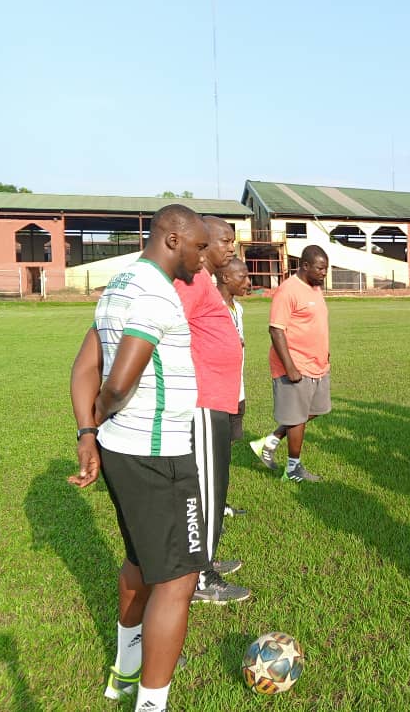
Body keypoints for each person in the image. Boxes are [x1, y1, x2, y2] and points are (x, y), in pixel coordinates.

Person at [69, 204, 210, 711]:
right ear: (173, 239)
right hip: (159, 458)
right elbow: (119, 379)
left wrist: (89, 432)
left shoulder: (120, 283)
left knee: (139, 560)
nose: (203, 255)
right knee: (177, 580)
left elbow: (84, 365)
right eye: (198, 245)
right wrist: (102, 415)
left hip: (122, 453)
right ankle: (152, 704)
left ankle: (126, 672)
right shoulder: (155, 293)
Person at [174, 216, 249, 605]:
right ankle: (201, 578)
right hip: (202, 402)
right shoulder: (190, 280)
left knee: (216, 489)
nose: (231, 247)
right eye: (225, 240)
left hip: (218, 400)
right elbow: (167, 327)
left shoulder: (203, 280)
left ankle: (207, 559)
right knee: (205, 491)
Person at [251, 245, 332, 483]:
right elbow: (276, 331)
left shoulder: (314, 288)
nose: (324, 273)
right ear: (305, 265)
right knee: (297, 417)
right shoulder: (288, 290)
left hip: (318, 364)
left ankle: (271, 440)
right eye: (320, 268)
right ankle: (293, 469)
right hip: (295, 365)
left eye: (326, 268)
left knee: (314, 411)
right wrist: (290, 368)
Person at [217, 258, 252, 517]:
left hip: (236, 391)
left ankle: (220, 503)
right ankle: (209, 508)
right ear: (225, 278)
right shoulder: (211, 307)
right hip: (216, 395)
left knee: (225, 453)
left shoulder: (237, 309)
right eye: (243, 276)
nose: (248, 282)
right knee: (212, 454)